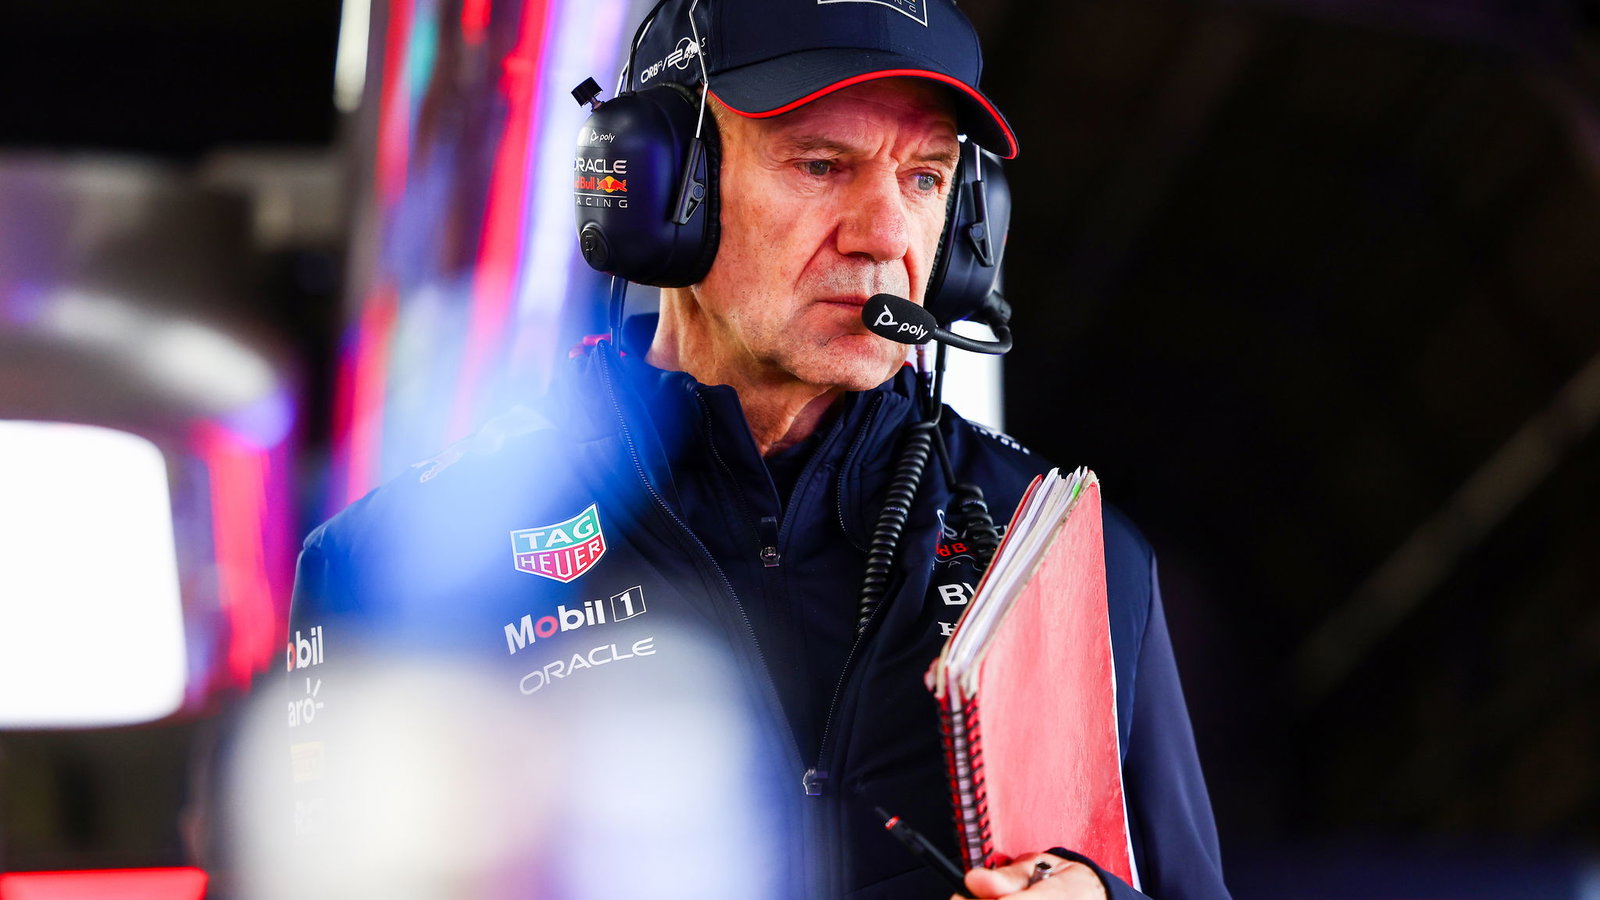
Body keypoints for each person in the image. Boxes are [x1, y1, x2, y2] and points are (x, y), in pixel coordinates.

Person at [289, 0, 1230, 897]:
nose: (885, 236)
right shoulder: (389, 565)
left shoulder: (1076, 560)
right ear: (659, 187)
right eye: (821, 165)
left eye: (926, 177)